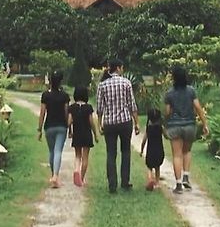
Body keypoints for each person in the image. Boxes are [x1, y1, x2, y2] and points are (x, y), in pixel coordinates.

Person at [96, 58, 140, 193]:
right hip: (125, 121)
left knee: (111, 153)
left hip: (109, 123)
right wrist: (137, 122)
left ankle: (112, 184)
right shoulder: (126, 83)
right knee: (125, 151)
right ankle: (125, 182)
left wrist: (99, 124)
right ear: (119, 68)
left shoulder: (102, 85)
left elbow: (99, 107)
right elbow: (132, 105)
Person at [164, 66, 209, 194]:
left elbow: (167, 112)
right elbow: (198, 107)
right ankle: (186, 177)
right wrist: (204, 123)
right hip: (189, 125)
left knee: (177, 155)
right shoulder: (191, 91)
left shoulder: (169, 93)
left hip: (175, 126)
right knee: (187, 151)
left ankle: (178, 185)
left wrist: (168, 117)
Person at [38, 70, 70, 188]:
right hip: (61, 126)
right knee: (58, 151)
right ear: (61, 81)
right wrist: (69, 126)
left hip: (49, 126)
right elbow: (67, 113)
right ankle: (55, 176)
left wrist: (39, 129)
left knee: (52, 151)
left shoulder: (45, 95)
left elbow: (42, 113)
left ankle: (53, 175)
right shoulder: (65, 96)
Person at [68, 86, 99, 187]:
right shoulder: (88, 107)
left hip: (77, 134)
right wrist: (95, 134)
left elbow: (69, 121)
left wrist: (70, 131)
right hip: (86, 134)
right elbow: (91, 122)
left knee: (78, 155)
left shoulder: (72, 107)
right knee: (85, 157)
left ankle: (76, 169)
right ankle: (81, 178)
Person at [140, 108, 165, 191]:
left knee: (149, 167)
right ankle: (157, 183)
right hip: (159, 151)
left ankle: (150, 179)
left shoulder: (148, 128)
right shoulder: (160, 127)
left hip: (150, 151)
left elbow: (144, 140)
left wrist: (141, 150)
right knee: (157, 167)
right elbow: (166, 135)